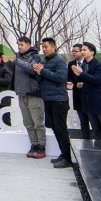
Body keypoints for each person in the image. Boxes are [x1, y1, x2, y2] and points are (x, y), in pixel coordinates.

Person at [34, 38, 74, 168]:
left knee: (61, 129)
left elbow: (61, 78)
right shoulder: (44, 61)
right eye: (43, 47)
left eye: (46, 47)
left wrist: (43, 71)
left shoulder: (59, 61)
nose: (44, 49)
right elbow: (41, 80)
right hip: (48, 99)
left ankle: (67, 158)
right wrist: (38, 73)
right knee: (55, 129)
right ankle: (63, 154)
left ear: (53, 47)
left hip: (59, 100)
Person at [70, 42, 101, 140]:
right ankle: (99, 147)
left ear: (92, 52)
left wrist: (81, 74)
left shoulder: (99, 65)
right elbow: (85, 79)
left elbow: (97, 80)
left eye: (84, 50)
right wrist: (79, 81)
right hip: (87, 100)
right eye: (82, 50)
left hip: (99, 101)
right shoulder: (84, 65)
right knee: (95, 129)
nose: (82, 52)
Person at [14, 37, 46, 159]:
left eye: (21, 44)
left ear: (28, 45)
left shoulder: (35, 56)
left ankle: (41, 146)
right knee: (28, 123)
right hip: (21, 93)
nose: (19, 47)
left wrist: (17, 61)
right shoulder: (18, 57)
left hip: (33, 93)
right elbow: (13, 73)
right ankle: (34, 144)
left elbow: (33, 70)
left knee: (37, 122)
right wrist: (8, 63)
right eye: (18, 45)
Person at [67, 44, 90, 139]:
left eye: (76, 51)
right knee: (83, 121)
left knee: (93, 121)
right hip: (77, 95)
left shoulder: (88, 62)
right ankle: (86, 139)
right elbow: (69, 77)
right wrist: (71, 83)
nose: (74, 53)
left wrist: (83, 83)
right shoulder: (71, 64)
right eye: (73, 51)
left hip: (88, 95)